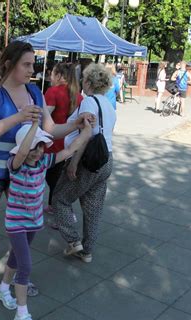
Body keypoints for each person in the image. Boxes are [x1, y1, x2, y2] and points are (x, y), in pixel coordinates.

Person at [0, 41, 94, 290]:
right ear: (9, 64)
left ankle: (16, 278)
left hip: (24, 170)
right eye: (26, 64)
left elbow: (51, 129)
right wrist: (19, 116)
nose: (32, 69)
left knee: (25, 226)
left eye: (33, 64)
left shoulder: (34, 92)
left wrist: (76, 124)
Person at [0, 117, 91, 320]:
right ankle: (22, 315)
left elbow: (70, 150)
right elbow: (20, 153)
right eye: (33, 148)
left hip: (33, 221)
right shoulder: (15, 165)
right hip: (16, 222)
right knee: (25, 266)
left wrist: (87, 129)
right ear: (23, 148)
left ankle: (3, 288)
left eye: (40, 146)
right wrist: (32, 127)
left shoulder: (43, 162)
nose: (38, 152)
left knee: (15, 258)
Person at [53, 62, 117, 264]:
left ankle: (73, 241)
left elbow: (85, 134)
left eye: (84, 79)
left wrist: (73, 164)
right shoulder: (108, 104)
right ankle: (87, 251)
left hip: (87, 160)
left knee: (60, 199)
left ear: (89, 82)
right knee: (94, 207)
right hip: (106, 159)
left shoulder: (89, 102)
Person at [44, 62, 83, 218]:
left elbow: (44, 116)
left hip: (53, 144)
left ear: (59, 76)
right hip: (71, 146)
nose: (50, 77)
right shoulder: (79, 96)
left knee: (52, 179)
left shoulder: (52, 92)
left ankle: (65, 216)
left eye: (52, 73)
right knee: (58, 180)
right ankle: (53, 207)